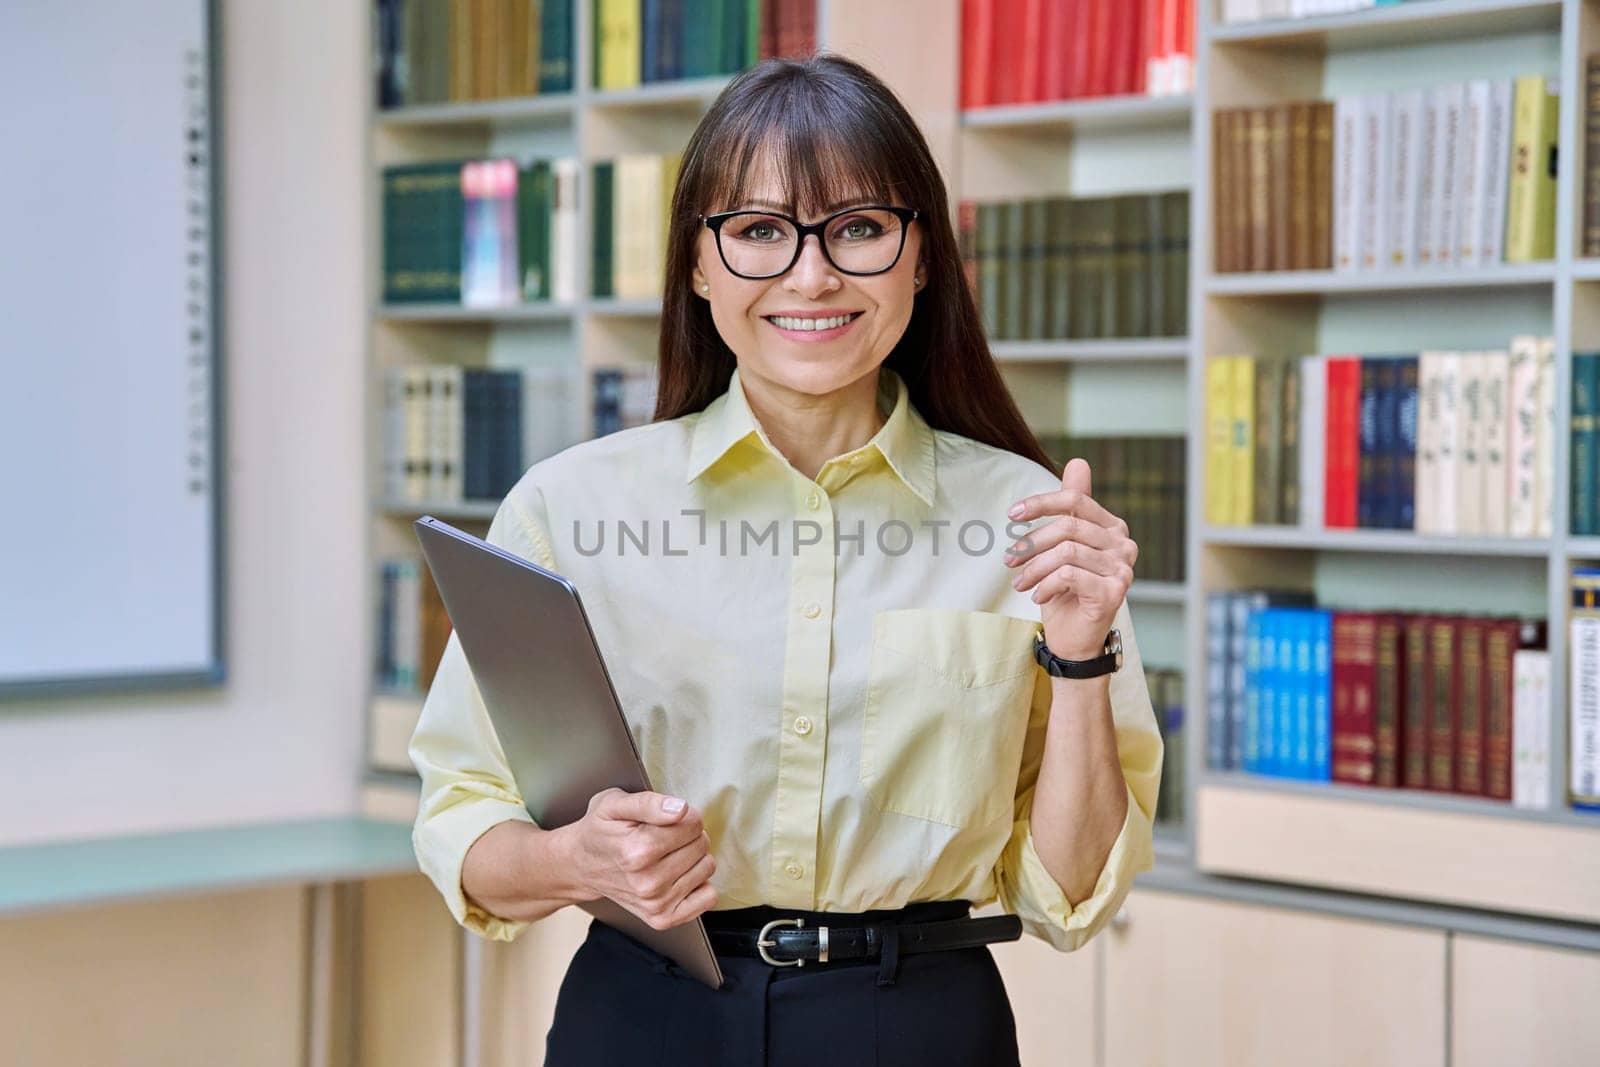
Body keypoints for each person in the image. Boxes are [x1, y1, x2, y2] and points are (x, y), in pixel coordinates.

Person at [409, 51, 1163, 1067]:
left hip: (919, 1025)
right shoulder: (571, 507)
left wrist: (1079, 658)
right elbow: (463, 819)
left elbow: (1069, 892)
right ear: (697, 263)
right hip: (647, 1014)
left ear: (921, 256)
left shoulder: (1029, 521)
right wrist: (569, 855)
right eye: (760, 231)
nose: (811, 275)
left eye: (857, 228)